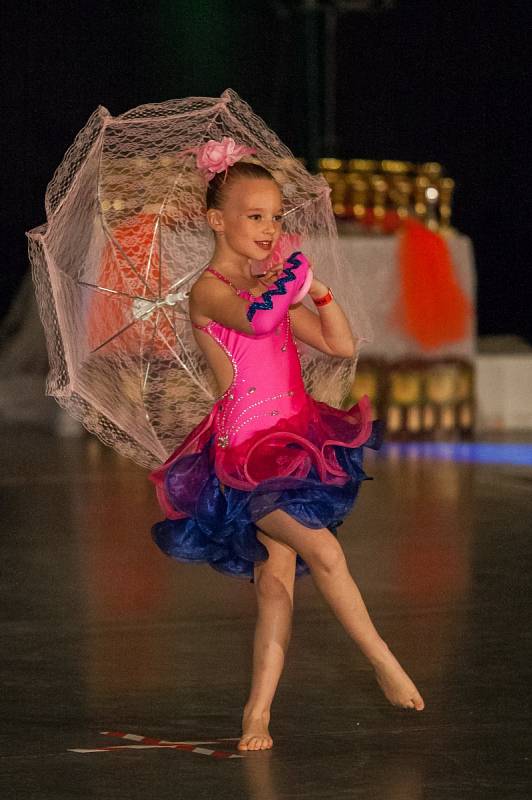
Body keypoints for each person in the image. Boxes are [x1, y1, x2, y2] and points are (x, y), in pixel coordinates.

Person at [149, 140, 425, 753]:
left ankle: (256, 715)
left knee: (276, 589)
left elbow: (339, 346)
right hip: (247, 461)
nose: (270, 229)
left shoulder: (266, 282)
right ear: (217, 220)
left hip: (295, 444)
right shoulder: (211, 290)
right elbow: (258, 322)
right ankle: (383, 661)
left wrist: (317, 290)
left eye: (276, 217)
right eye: (255, 216)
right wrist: (290, 277)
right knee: (323, 554)